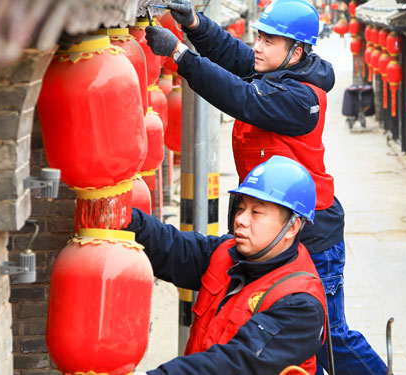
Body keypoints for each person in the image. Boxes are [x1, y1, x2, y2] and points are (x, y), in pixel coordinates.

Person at [143, 0, 388, 374]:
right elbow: (234, 54)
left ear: (297, 51)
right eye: (259, 36)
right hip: (271, 219)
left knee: (329, 339)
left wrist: (179, 54)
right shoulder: (275, 70)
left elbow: (240, 97)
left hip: (311, 231)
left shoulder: (301, 98)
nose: (258, 46)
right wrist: (194, 23)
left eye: (269, 40)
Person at [130, 156, 327, 375]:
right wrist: (126, 219)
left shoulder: (300, 305)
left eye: (256, 212)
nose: (241, 219)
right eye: (240, 208)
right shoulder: (227, 252)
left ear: (291, 228)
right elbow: (170, 246)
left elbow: (232, 364)